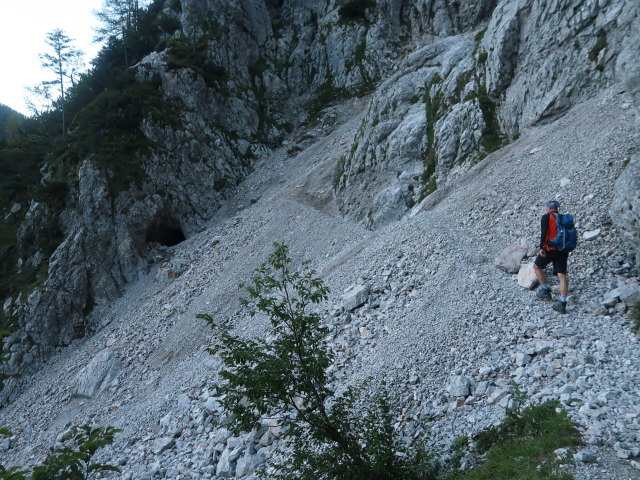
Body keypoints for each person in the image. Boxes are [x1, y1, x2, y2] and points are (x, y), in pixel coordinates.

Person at [533, 200, 569, 314]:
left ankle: (545, 291)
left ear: (548, 208)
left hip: (550, 249)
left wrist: (542, 248)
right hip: (563, 250)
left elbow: (544, 234)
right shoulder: (564, 218)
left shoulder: (546, 217)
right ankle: (563, 305)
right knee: (562, 276)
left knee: (537, 267)